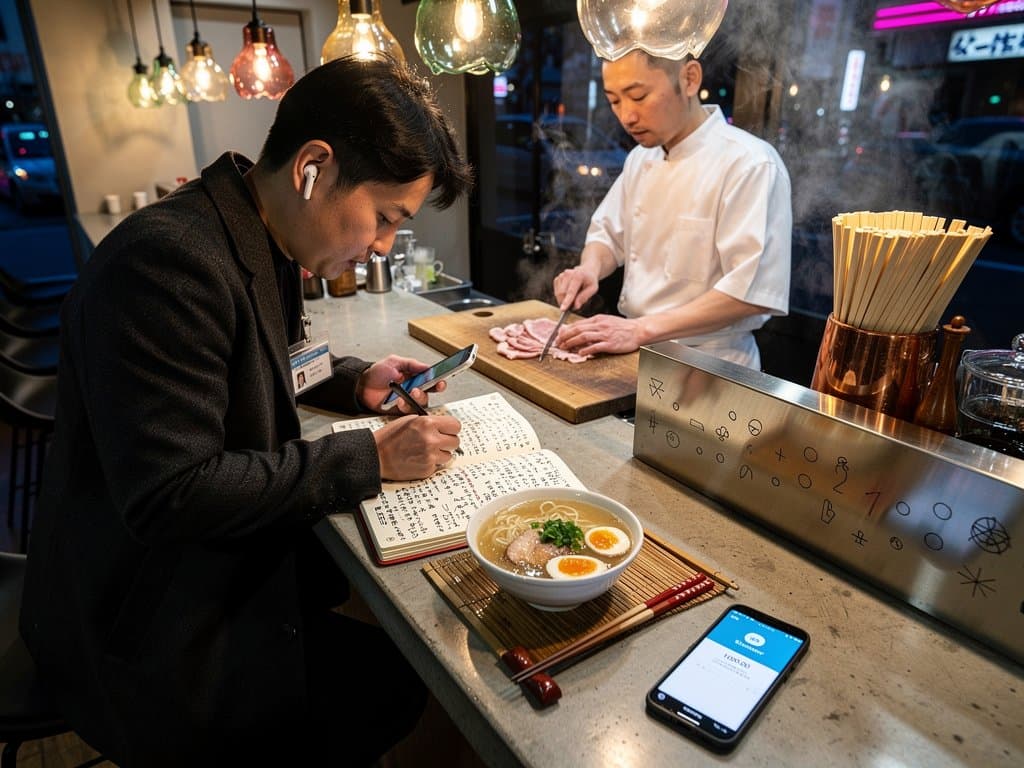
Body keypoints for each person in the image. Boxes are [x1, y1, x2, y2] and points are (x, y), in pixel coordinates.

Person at [20, 56, 473, 767]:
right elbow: (173, 493)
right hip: (147, 620)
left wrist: (356, 384)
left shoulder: (253, 232)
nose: (383, 244)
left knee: (387, 669)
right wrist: (369, 457)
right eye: (385, 218)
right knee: (392, 687)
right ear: (313, 168)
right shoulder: (168, 262)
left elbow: (275, 357)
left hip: (194, 581)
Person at [552, 51, 792, 369]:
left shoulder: (750, 163)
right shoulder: (641, 158)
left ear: (689, 78)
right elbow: (608, 236)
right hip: (636, 353)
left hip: (711, 365)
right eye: (614, 101)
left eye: (638, 96)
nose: (626, 117)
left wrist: (640, 329)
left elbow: (749, 291)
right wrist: (589, 268)